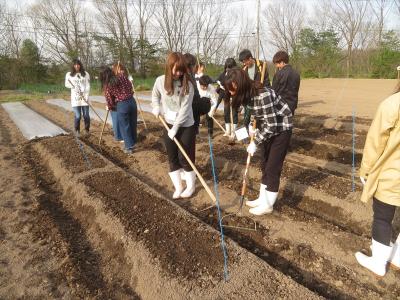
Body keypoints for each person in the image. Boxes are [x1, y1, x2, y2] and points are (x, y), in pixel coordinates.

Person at [224, 67, 293, 216]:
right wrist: (250, 128)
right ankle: (263, 198)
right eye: (229, 90)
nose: (231, 93)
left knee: (272, 167)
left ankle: (268, 205)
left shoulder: (263, 95)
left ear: (241, 86)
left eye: (232, 90)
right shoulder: (246, 96)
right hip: (267, 126)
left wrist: (255, 142)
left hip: (281, 128)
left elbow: (273, 124)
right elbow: (255, 114)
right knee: (264, 163)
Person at [355, 85, 400, 277]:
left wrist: (366, 170)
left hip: (393, 172)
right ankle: (397, 257)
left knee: (382, 217)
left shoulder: (392, 103)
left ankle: (378, 263)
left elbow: (375, 141)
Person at [151, 52, 197, 199]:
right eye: (176, 70)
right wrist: (156, 106)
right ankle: (178, 187)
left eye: (182, 70)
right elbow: (155, 95)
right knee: (172, 157)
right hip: (168, 123)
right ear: (169, 67)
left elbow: (185, 109)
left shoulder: (188, 85)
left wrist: (176, 127)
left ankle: (191, 186)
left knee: (185, 157)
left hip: (186, 125)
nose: (179, 73)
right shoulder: (160, 81)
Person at [100, 65, 137, 154]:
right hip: (132, 102)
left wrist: (110, 106)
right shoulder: (122, 77)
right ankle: (133, 142)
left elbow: (109, 99)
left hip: (122, 105)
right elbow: (130, 87)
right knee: (132, 124)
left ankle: (128, 147)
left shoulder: (108, 85)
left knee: (125, 126)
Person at [184, 54, 210, 135]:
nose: (196, 68)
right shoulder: (187, 78)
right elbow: (194, 100)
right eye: (195, 66)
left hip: (190, 117)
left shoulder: (191, 76)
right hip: (189, 118)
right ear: (191, 66)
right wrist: (205, 103)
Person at [65, 59, 91, 137]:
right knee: (78, 115)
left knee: (86, 115)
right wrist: (74, 87)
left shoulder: (85, 74)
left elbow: (88, 85)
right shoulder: (69, 74)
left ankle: (87, 130)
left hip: (85, 97)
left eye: (78, 64)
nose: (77, 66)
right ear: (73, 65)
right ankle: (77, 131)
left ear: (80, 65)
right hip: (75, 98)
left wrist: (84, 92)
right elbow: (66, 84)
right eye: (75, 64)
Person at [272, 51, 301, 115]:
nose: (277, 66)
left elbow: (273, 91)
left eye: (277, 64)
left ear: (282, 62)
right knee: (289, 123)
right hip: (292, 105)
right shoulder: (296, 73)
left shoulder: (278, 74)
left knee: (281, 124)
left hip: (281, 105)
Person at [216, 58, 238, 137]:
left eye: (230, 67)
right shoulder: (224, 73)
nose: (228, 69)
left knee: (234, 113)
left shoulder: (236, 74)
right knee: (226, 113)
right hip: (226, 96)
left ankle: (233, 132)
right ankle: (228, 130)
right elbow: (218, 80)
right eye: (227, 67)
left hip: (234, 95)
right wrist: (221, 85)